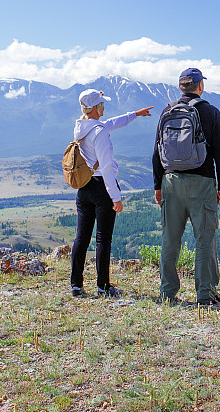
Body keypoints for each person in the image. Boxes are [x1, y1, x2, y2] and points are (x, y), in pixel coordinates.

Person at [152, 68, 220, 306]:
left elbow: (157, 152)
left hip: (170, 182)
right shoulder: (210, 112)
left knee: (170, 239)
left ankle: (167, 293)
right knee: (205, 238)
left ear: (180, 87)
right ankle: (205, 294)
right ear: (200, 86)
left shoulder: (168, 111)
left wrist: (158, 185)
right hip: (202, 182)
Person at [71, 89, 153, 299]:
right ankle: (103, 286)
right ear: (96, 107)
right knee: (102, 239)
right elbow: (106, 168)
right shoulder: (99, 133)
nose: (104, 108)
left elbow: (113, 122)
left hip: (84, 187)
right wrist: (115, 198)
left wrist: (135, 114)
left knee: (81, 237)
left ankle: (76, 285)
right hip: (101, 188)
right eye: (102, 104)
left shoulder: (82, 128)